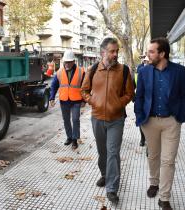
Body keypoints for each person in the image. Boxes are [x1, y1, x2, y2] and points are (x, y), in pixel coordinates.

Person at [134, 37, 185, 210]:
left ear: (162, 54)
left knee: (168, 160)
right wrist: (140, 116)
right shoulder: (143, 72)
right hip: (149, 122)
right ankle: (154, 183)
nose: (148, 55)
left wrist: (180, 116)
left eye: (151, 51)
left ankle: (164, 198)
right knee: (153, 156)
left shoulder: (180, 71)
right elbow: (140, 96)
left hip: (171, 122)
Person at [81, 37, 134, 204]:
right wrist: (93, 101)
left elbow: (130, 93)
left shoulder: (124, 71)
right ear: (103, 52)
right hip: (97, 118)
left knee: (113, 153)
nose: (115, 54)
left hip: (116, 119)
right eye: (112, 51)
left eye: (117, 51)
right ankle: (104, 174)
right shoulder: (93, 69)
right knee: (102, 152)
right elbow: (83, 91)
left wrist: (119, 103)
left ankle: (112, 189)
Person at [49, 50, 85, 150]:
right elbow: (54, 85)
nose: (67, 64)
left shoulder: (81, 71)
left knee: (75, 119)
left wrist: (84, 100)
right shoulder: (59, 72)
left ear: (74, 61)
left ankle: (75, 139)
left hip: (76, 100)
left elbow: (85, 87)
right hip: (64, 100)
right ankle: (69, 137)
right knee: (66, 120)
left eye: (69, 62)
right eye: (66, 62)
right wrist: (52, 97)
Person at [135, 56, 149, 147]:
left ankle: (148, 143)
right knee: (141, 121)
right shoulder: (139, 69)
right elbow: (134, 83)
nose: (146, 62)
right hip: (141, 99)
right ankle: (142, 138)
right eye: (145, 61)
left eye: (148, 61)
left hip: (149, 100)